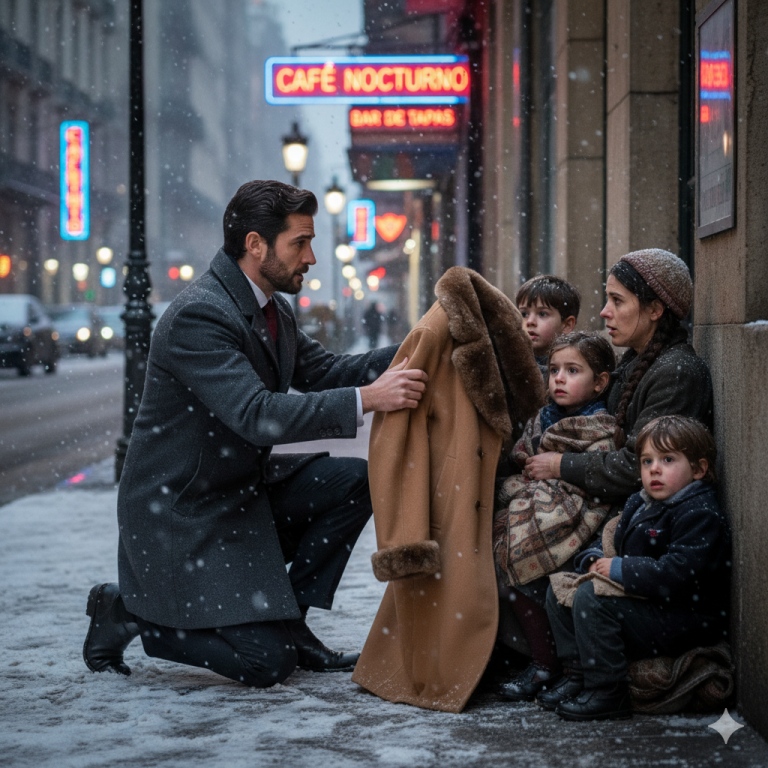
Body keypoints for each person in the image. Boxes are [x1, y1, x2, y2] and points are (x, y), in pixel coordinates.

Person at [83, 180, 428, 687]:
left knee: (354, 480)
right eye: (300, 243)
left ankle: (293, 623)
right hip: (184, 514)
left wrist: (422, 347)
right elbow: (256, 414)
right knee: (266, 664)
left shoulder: (271, 307)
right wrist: (371, 399)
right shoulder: (199, 315)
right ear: (255, 244)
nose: (310, 257)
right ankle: (131, 612)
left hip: (240, 491)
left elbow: (327, 371)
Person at [542, 415, 730, 721]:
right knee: (561, 590)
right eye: (646, 461)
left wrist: (620, 570)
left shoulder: (699, 512)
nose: (654, 469)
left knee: (593, 600)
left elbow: (680, 573)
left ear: (698, 469)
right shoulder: (639, 503)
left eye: (667, 459)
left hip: (682, 616)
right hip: (645, 601)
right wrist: (592, 561)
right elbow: (612, 546)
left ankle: (608, 691)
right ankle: (577, 673)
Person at [524, 249, 714, 504]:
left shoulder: (677, 374)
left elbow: (638, 468)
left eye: (617, 300)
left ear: (655, 309)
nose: (604, 311)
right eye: (607, 299)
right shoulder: (636, 359)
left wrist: (559, 464)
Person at [494, 331, 617, 702]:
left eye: (573, 370)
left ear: (600, 382)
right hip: (533, 501)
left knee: (542, 578)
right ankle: (540, 659)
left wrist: (557, 477)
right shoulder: (542, 418)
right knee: (510, 564)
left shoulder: (601, 425)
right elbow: (522, 459)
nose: (559, 378)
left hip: (577, 514)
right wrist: (524, 484)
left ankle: (557, 666)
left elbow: (599, 473)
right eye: (554, 370)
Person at [516, 275, 580, 380]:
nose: (530, 322)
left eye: (542, 314)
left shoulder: (574, 370)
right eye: (524, 314)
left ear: (567, 325)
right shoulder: (507, 363)